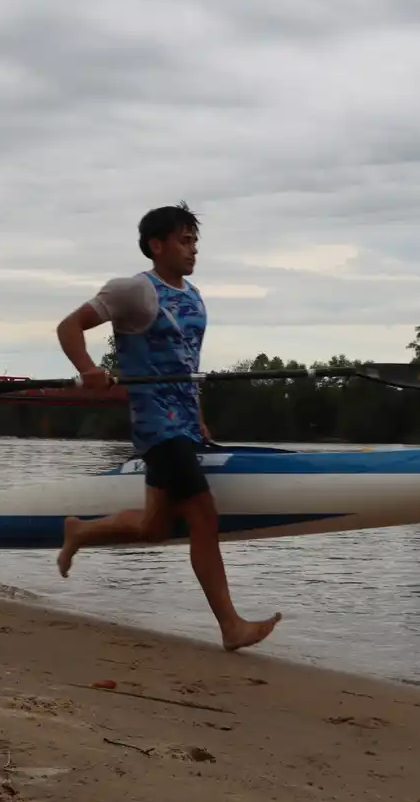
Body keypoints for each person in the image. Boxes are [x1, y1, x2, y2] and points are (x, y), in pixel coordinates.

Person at [52, 202, 281, 652]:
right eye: (184, 240)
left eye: (195, 241)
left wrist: (197, 415)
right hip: (157, 427)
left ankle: (80, 530)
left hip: (185, 425)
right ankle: (230, 625)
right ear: (156, 245)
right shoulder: (134, 292)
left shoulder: (193, 296)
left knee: (157, 527)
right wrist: (89, 368)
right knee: (203, 516)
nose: (193, 250)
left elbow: (186, 366)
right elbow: (69, 326)